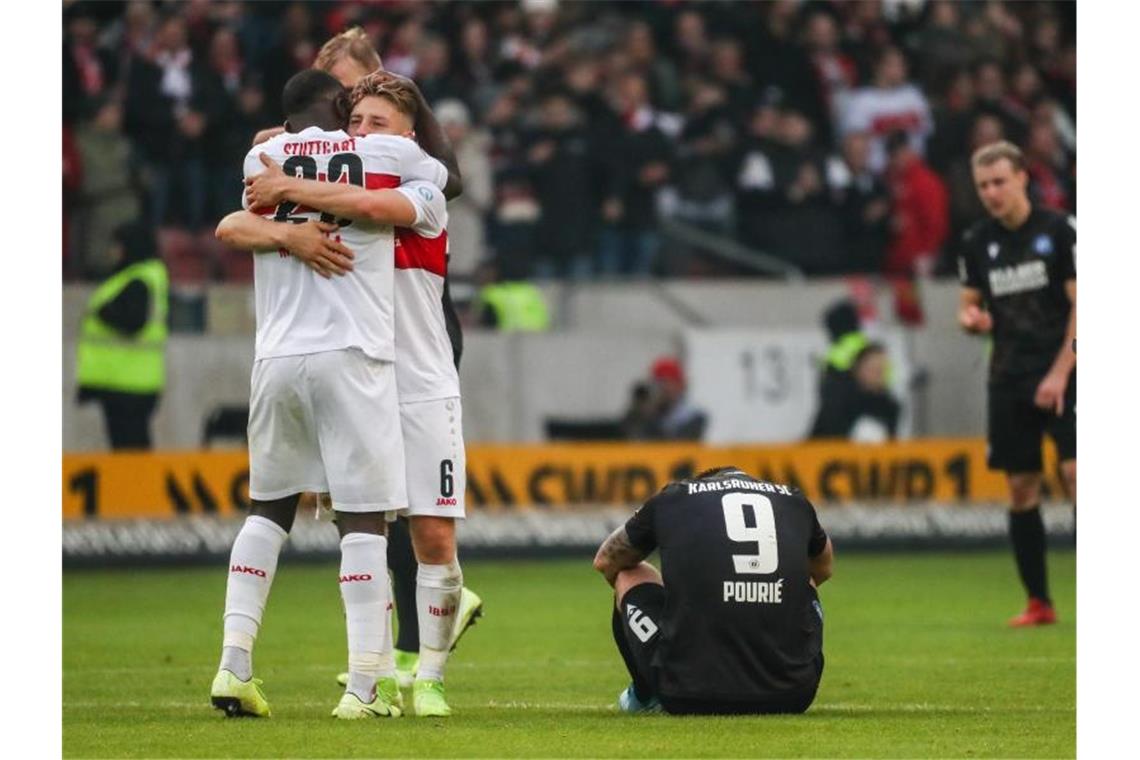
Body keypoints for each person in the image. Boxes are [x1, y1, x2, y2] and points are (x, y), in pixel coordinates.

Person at [219, 72, 481, 718]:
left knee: (429, 539)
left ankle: (429, 677)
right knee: (359, 524)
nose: (364, 133)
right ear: (340, 121)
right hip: (358, 367)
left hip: (417, 379)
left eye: (378, 123)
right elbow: (238, 222)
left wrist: (283, 182)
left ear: (408, 132)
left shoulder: (410, 179)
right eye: (356, 121)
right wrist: (291, 228)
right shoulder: (359, 161)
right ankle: (373, 680)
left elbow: (392, 204)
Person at [593, 466, 833, 715]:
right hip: (794, 694)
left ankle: (645, 696)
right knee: (805, 581)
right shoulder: (794, 500)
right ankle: (786, 664)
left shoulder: (674, 497)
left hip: (685, 693)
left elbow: (605, 561)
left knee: (629, 573)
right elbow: (824, 568)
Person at [957, 141, 1075, 627]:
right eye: (983, 185)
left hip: (1068, 371)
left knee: (1076, 477)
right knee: (1021, 489)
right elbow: (968, 307)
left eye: (999, 181)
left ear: (1023, 177)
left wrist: (1060, 373)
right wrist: (972, 320)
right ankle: (1039, 602)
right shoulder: (976, 241)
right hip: (1007, 377)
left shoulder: (1058, 231)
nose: (991, 193)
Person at [75, 221, 168, 450]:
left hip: (128, 383)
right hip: (127, 381)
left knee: (130, 449)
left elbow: (133, 321)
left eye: (116, 245)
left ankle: (140, 487)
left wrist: (103, 312)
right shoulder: (138, 276)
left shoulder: (139, 279)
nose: (112, 251)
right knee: (130, 448)